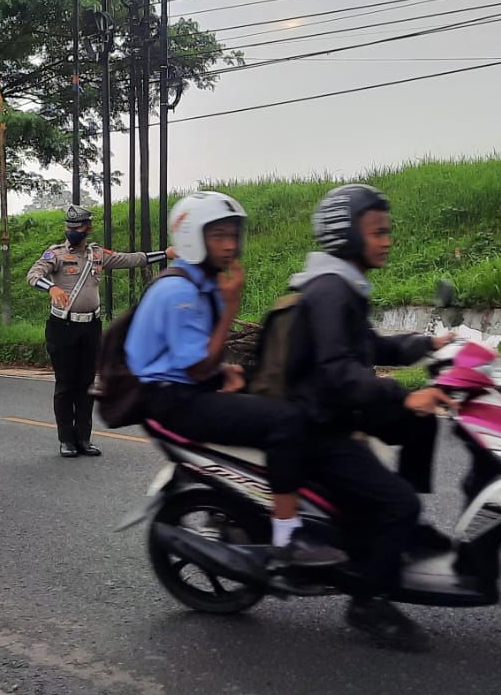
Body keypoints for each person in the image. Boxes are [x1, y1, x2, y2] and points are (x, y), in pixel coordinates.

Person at [125, 190, 346, 568]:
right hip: (172, 401)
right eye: (218, 236)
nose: (230, 245)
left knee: (290, 403)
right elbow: (195, 367)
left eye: (233, 235)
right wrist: (230, 308)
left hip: (184, 389)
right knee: (285, 420)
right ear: (192, 237)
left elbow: (192, 354)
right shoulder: (179, 291)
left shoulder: (200, 281)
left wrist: (223, 370)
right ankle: (287, 535)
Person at [283, 183, 455, 653]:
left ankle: (402, 529)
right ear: (348, 235)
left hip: (339, 406)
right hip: (319, 425)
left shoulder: (342, 285)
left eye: (386, 231)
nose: (387, 241)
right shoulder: (329, 290)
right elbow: (338, 371)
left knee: (422, 423)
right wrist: (404, 397)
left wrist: (426, 344)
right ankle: (368, 602)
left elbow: (369, 346)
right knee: (399, 503)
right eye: (377, 232)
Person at [27, 205, 171, 457]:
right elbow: (33, 274)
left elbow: (130, 259)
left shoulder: (97, 254)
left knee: (87, 384)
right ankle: (66, 440)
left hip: (91, 327)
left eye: (78, 227)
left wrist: (165, 254)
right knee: (66, 385)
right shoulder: (56, 254)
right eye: (69, 227)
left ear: (88, 229)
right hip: (63, 327)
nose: (73, 231)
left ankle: (84, 438)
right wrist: (51, 288)